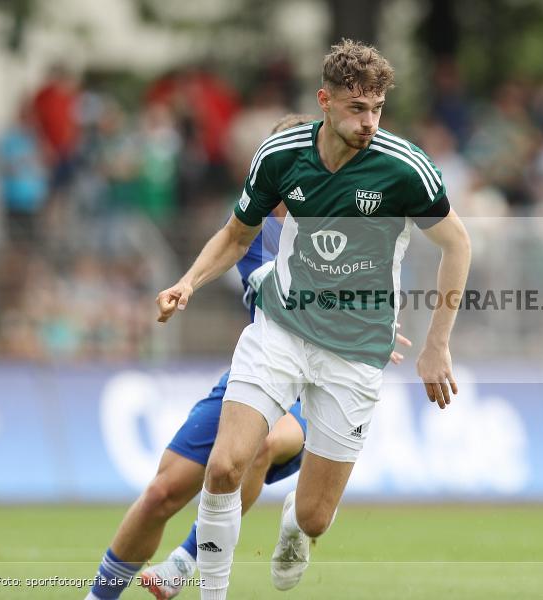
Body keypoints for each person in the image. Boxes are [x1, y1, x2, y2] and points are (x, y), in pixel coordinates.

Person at [155, 39, 471, 598]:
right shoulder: (281, 156)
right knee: (227, 465)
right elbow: (236, 234)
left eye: (376, 108)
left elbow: (457, 244)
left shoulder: (405, 169)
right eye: (356, 108)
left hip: (355, 352)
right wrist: (187, 283)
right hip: (282, 329)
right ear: (325, 101)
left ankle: (294, 528)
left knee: (317, 516)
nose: (368, 121)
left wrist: (436, 345)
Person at [84, 114, 409, 600]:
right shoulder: (251, 230)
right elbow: (280, 294)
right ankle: (99, 597)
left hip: (318, 381)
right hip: (266, 366)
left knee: (261, 446)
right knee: (160, 494)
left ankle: (186, 563)